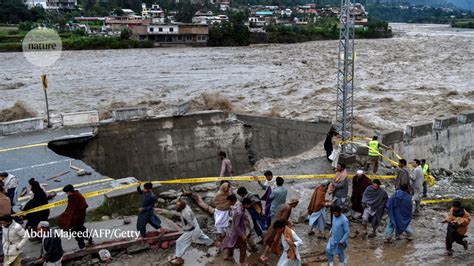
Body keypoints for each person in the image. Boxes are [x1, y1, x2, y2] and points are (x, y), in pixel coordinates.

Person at [172, 199, 218, 265]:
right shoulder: (186, 206)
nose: (175, 207)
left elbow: (191, 224)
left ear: (181, 206)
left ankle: (178, 258)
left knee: (179, 241)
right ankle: (215, 244)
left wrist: (188, 233)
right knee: (202, 237)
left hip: (192, 229)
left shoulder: (185, 213)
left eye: (177, 206)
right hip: (196, 225)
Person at [57, 184, 92, 249]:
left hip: (78, 218)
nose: (67, 194)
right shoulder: (72, 196)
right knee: (82, 229)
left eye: (67, 192)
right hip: (76, 218)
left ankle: (82, 246)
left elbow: (83, 206)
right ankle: (89, 239)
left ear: (70, 191)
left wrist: (76, 217)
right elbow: (70, 208)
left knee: (77, 232)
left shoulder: (78, 197)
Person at [221, 197, 252, 265]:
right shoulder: (240, 213)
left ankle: (228, 255)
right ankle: (241, 263)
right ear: (246, 204)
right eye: (249, 204)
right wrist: (243, 235)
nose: (250, 206)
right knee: (243, 248)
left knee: (232, 244)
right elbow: (237, 225)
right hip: (238, 233)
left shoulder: (239, 207)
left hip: (235, 232)